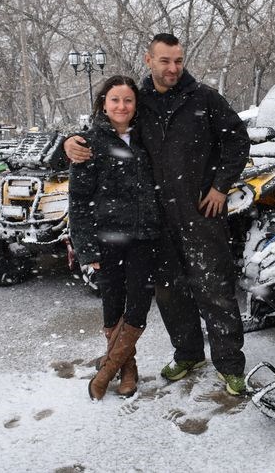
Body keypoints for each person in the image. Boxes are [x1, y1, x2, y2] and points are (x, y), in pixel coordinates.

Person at [66, 33, 251, 395]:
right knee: (169, 292)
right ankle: (188, 353)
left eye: (178, 61)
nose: (173, 68)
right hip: (155, 220)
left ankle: (230, 365)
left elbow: (237, 139)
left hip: (200, 212)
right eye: (165, 61)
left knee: (215, 290)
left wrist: (220, 186)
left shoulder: (204, 98)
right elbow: (106, 129)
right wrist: (69, 142)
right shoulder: (140, 101)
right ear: (149, 60)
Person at [68, 74, 161, 400]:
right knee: (112, 304)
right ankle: (127, 368)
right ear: (104, 104)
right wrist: (85, 246)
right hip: (106, 239)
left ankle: (107, 370)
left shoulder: (148, 139)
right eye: (115, 100)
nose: (122, 106)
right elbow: (78, 201)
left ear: (136, 106)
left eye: (128, 100)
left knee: (137, 306)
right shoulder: (88, 144)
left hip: (145, 237)